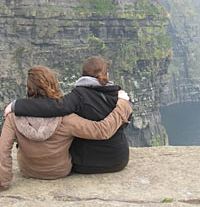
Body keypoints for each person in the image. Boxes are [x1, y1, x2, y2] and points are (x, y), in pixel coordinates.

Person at [0, 65, 132, 190]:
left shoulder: (13, 117)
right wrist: (122, 105)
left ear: (27, 89)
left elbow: (3, 150)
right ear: (54, 86)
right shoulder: (66, 119)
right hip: (59, 171)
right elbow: (101, 131)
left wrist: (3, 181)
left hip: (28, 170)